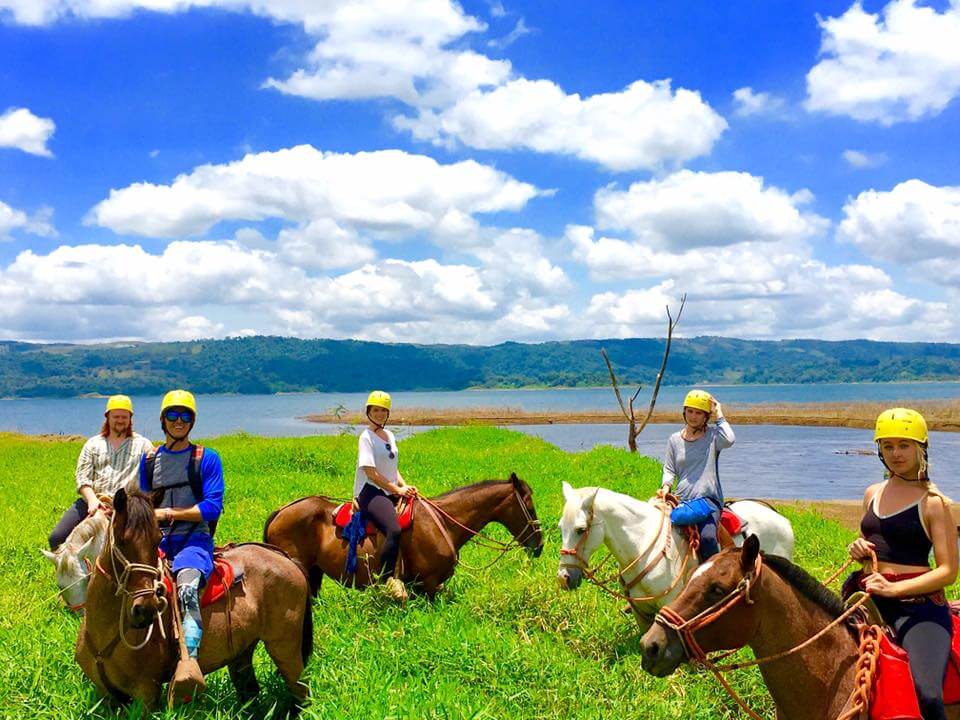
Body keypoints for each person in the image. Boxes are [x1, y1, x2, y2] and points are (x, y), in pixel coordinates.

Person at [847, 408, 957, 720]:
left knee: (928, 692)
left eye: (904, 445)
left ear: (921, 448)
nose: (896, 454)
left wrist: (895, 590)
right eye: (888, 446)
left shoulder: (933, 503)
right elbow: (870, 543)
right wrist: (857, 549)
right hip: (868, 598)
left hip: (919, 608)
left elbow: (948, 572)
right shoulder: (872, 493)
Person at [140, 389, 224, 698]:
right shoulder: (149, 461)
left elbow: (213, 506)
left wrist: (169, 513)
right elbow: (143, 503)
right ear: (163, 421)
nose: (179, 421)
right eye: (173, 416)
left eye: (185, 416)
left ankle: (189, 665)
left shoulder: (206, 458)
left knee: (187, 588)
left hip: (194, 540)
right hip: (157, 543)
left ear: (192, 422)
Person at [48, 395, 153, 550]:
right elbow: (83, 478)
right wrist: (92, 501)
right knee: (57, 537)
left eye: (124, 416)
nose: (120, 420)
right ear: (107, 417)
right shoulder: (93, 444)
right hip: (93, 501)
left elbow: (154, 472)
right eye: (115, 416)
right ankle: (68, 571)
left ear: (130, 418)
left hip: (126, 506)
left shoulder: (143, 445)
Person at [354, 390, 417, 602]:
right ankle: (388, 580)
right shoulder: (366, 437)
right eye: (376, 410)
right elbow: (370, 472)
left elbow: (392, 467)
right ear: (368, 412)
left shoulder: (389, 435)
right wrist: (397, 490)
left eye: (383, 410)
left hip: (390, 488)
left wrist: (404, 485)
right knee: (393, 528)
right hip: (371, 491)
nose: (380, 414)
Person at [658, 390, 735, 561]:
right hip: (681, 499)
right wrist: (665, 487)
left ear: (706, 416)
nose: (693, 416)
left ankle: (714, 577)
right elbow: (669, 469)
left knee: (707, 537)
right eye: (690, 411)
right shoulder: (674, 440)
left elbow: (730, 439)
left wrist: (719, 414)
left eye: (699, 413)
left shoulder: (713, 437)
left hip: (708, 501)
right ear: (684, 412)